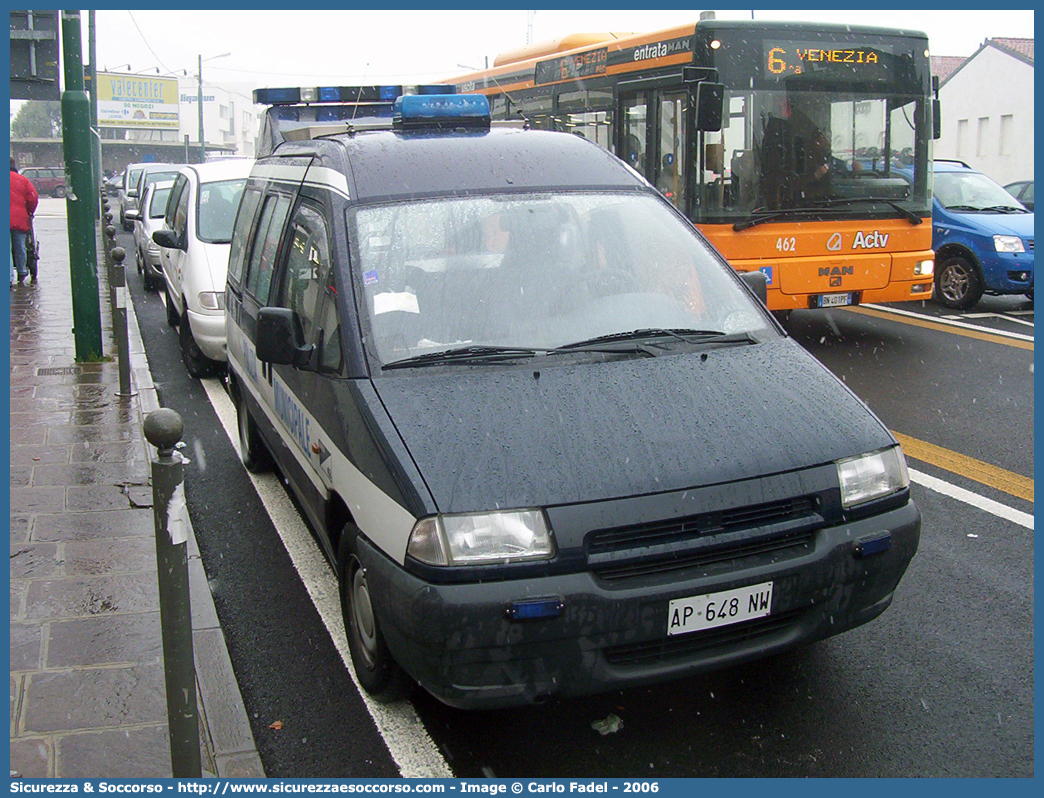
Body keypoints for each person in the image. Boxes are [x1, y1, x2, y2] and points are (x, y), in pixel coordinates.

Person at [10, 157, 39, 286]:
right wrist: (29, 211)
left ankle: (8, 277)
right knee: (20, 245)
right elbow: (33, 197)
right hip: (19, 218)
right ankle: (22, 270)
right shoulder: (23, 180)